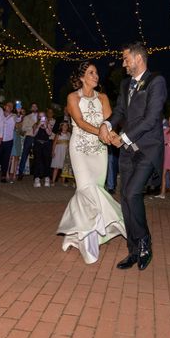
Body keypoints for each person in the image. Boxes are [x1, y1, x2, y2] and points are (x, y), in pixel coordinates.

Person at [99, 42, 168, 271]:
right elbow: (119, 111)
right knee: (126, 200)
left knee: (132, 192)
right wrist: (107, 124)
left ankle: (145, 243)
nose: (123, 63)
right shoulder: (125, 84)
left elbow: (151, 119)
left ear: (138, 59)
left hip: (148, 149)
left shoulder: (156, 81)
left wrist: (123, 137)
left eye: (125, 59)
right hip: (128, 152)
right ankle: (133, 250)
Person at [58, 61, 126, 264]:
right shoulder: (72, 97)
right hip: (80, 148)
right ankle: (88, 244)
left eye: (96, 72)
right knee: (86, 190)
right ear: (81, 77)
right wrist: (103, 132)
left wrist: (115, 138)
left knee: (96, 190)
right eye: (91, 73)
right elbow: (79, 122)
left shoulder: (103, 98)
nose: (96, 76)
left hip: (99, 151)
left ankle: (79, 235)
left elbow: (109, 122)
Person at [31, 110, 54, 187]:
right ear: (38, 117)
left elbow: (49, 133)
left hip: (46, 144)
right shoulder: (35, 124)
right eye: (40, 116)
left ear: (45, 117)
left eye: (43, 116)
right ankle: (36, 178)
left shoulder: (48, 124)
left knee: (47, 161)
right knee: (37, 161)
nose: (41, 118)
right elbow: (34, 134)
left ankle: (47, 178)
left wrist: (46, 126)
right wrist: (38, 125)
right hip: (38, 144)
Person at [0, 101, 16, 183]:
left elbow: (18, 119)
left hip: (8, 140)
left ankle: (3, 176)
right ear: (4, 106)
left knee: (6, 159)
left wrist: (18, 113)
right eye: (8, 105)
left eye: (11, 106)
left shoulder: (14, 116)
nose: (10, 107)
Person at [17, 102, 38, 180]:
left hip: (38, 138)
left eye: (35, 106)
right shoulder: (27, 117)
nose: (34, 108)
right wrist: (32, 127)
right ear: (31, 108)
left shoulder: (41, 117)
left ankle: (36, 175)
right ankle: (20, 173)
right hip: (29, 137)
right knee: (24, 155)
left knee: (37, 156)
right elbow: (23, 128)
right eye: (33, 106)